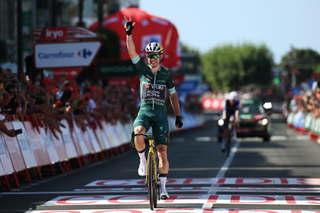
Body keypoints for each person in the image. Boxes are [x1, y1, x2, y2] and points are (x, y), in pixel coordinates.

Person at [124, 16, 183, 200]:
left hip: (161, 114)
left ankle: (164, 188)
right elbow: (131, 51)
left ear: (160, 56)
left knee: (162, 153)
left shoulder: (167, 73)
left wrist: (178, 115)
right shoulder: (143, 69)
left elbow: (172, 95)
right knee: (138, 132)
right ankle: (142, 161)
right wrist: (129, 33)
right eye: (150, 56)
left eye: (155, 56)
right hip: (145, 111)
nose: (152, 59)